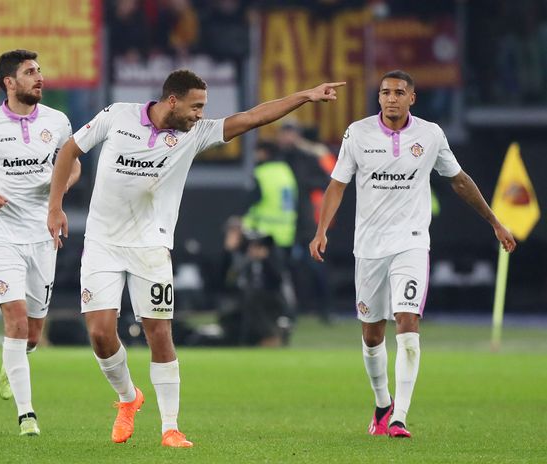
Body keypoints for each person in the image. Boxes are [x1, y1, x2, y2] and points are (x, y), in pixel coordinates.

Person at [47, 69, 343, 447]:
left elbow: (253, 117)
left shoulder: (195, 134)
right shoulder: (117, 115)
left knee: (159, 333)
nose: (201, 114)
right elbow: (70, 150)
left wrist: (305, 95)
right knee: (101, 335)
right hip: (102, 243)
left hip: (152, 248)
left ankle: (170, 428)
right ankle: (128, 397)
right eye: (196, 106)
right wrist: (55, 207)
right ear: (172, 101)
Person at [308, 70, 517, 438]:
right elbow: (337, 185)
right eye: (385, 92)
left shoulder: (431, 135)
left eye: (399, 92)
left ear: (412, 98)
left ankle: (400, 417)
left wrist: (495, 222)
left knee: (407, 320)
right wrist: (322, 230)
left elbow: (459, 180)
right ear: (379, 97)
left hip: (412, 242)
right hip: (369, 247)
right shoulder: (358, 133)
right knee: (372, 334)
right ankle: (382, 405)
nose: (391, 98)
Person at [0, 49, 80, 437]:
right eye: (30, 72)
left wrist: (57, 192)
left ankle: (13, 361)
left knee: (33, 333)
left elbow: (73, 164)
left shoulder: (57, 121)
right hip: (0, 234)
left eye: (39, 70)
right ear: (9, 82)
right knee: (17, 320)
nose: (40, 77)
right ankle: (27, 416)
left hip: (42, 234)